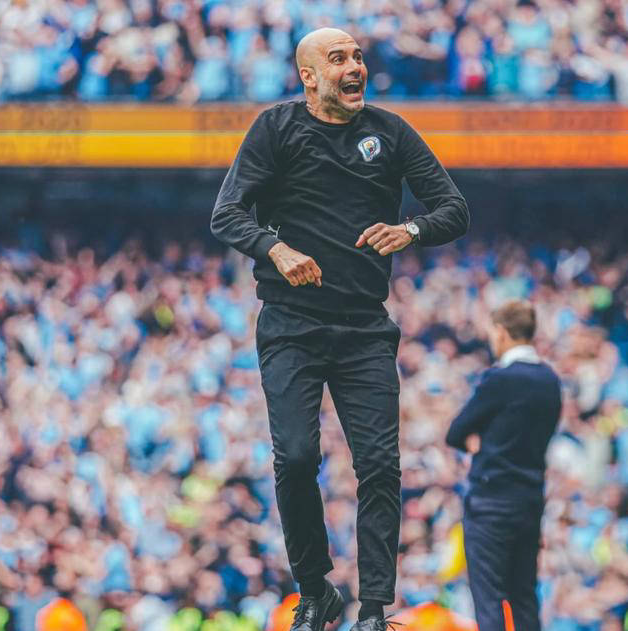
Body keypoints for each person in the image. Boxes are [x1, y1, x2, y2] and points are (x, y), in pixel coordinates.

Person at [209, 26, 469, 631]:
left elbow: (454, 209)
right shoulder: (275, 129)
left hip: (363, 330)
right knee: (297, 457)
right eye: (338, 58)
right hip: (290, 325)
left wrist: (411, 230)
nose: (355, 66)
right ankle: (315, 590)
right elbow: (226, 213)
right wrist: (275, 249)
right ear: (308, 77)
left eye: (357, 56)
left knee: (379, 466)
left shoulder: (390, 132)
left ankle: (374, 609)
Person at [445, 300, 562, 631]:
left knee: (489, 598)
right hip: (529, 499)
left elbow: (456, 431)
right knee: (523, 595)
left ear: (501, 332)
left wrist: (478, 441)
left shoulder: (499, 379)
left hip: (491, 501)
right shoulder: (550, 379)